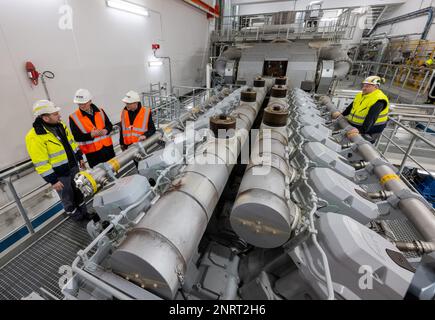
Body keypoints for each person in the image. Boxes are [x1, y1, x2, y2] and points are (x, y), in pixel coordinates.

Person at [25, 100, 90, 222]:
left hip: (73, 167)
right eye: (55, 114)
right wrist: (53, 180)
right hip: (60, 175)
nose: (59, 115)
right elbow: (41, 162)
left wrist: (79, 157)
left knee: (79, 192)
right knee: (67, 198)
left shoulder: (61, 125)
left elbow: (71, 143)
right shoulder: (34, 136)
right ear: (45, 118)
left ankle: (85, 213)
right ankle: (77, 218)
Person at [332, 76, 389, 142]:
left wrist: (361, 131)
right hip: (355, 126)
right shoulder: (361, 95)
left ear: (376, 87)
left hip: (369, 131)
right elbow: (350, 107)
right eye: (364, 85)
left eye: (367, 86)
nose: (363, 88)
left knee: (359, 147)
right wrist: (341, 115)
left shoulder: (379, 99)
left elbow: (371, 118)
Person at [69, 89, 115, 168]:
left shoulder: (100, 111)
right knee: (99, 177)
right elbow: (77, 137)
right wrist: (91, 135)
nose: (82, 106)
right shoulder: (74, 117)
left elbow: (109, 125)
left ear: (90, 101)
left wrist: (106, 130)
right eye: (79, 104)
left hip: (108, 149)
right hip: (93, 154)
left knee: (114, 169)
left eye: (84, 103)